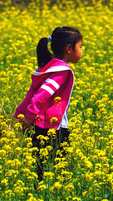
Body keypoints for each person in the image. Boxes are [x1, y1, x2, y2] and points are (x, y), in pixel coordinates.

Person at [14, 26, 83, 182]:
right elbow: (43, 93)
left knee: (38, 166)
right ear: (69, 49)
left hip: (39, 124)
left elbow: (32, 91)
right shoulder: (61, 71)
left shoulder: (47, 67)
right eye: (80, 47)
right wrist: (30, 115)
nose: (82, 51)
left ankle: (38, 192)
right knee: (61, 168)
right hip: (52, 127)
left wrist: (24, 113)